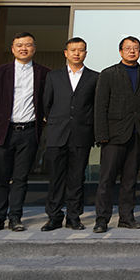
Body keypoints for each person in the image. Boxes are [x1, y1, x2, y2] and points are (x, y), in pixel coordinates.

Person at [0, 32, 50, 232]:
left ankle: (15, 218)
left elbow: (47, 102)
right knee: (1, 179)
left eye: (28, 45)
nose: (23, 48)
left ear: (34, 48)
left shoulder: (44, 72)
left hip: (29, 132)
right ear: (12, 49)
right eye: (19, 45)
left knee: (21, 178)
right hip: (3, 132)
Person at [93, 36, 140, 233]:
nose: (132, 51)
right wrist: (101, 134)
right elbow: (100, 106)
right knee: (107, 179)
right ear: (120, 51)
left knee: (130, 179)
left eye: (136, 48)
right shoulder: (108, 74)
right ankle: (102, 219)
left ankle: (126, 217)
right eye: (128, 48)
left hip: (137, 134)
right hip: (113, 135)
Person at [40, 37, 99, 231]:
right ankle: (54, 216)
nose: (76, 53)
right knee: (56, 177)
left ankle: (74, 216)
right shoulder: (53, 76)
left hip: (81, 134)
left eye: (80, 50)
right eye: (73, 50)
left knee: (76, 178)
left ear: (85, 54)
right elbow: (47, 104)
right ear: (66, 53)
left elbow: (95, 106)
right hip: (57, 133)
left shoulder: (94, 77)